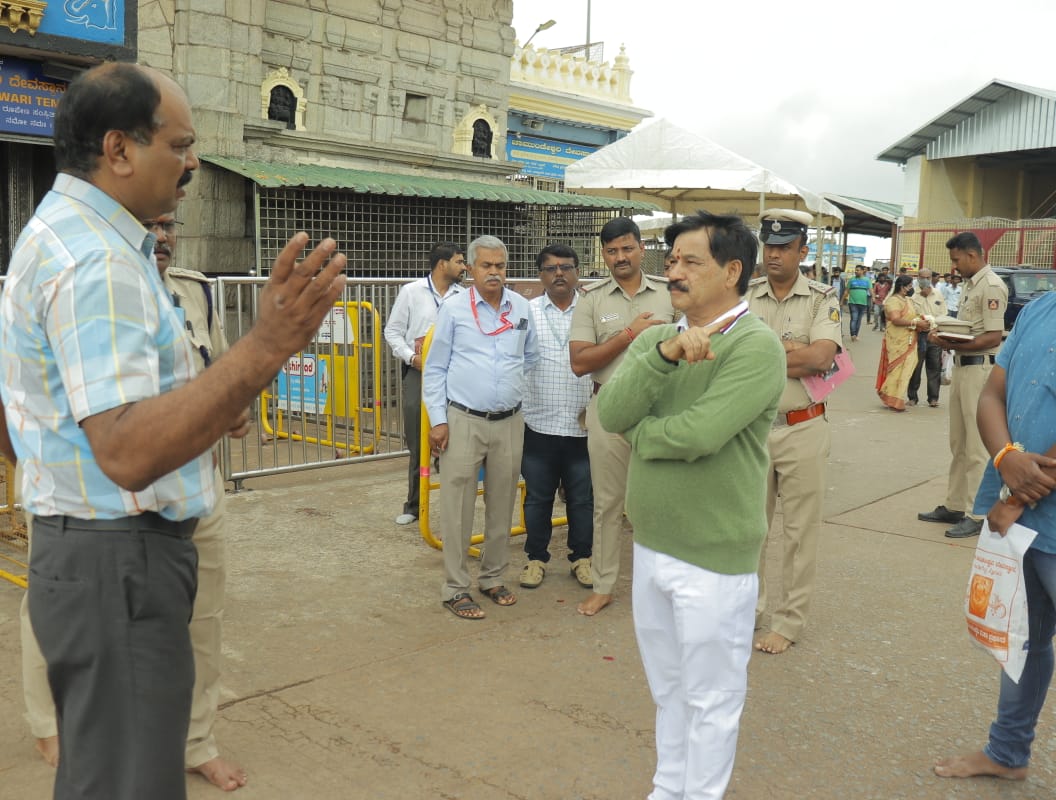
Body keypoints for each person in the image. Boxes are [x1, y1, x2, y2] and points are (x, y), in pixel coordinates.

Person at [0, 63, 346, 800]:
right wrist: (266, 346)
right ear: (119, 150)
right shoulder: (97, 261)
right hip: (117, 563)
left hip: (92, 555)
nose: (193, 165)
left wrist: (213, 396)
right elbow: (125, 450)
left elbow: (29, 413)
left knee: (110, 777)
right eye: (180, 146)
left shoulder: (63, 236)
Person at [17, 212, 248, 791]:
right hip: (93, 501)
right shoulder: (71, 274)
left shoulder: (192, 293)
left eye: (173, 224)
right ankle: (53, 724)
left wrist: (232, 404)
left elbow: (215, 373)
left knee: (202, 617)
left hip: (193, 488)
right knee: (60, 620)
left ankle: (196, 740)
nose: (164, 236)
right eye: (153, 225)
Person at [597, 211, 785, 799]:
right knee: (668, 690)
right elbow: (609, 415)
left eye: (689, 261)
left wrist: (641, 436)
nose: (673, 271)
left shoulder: (757, 346)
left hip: (713, 558)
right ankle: (666, 789)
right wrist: (666, 355)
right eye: (671, 260)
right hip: (652, 547)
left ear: (732, 272)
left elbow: (697, 435)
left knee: (711, 699)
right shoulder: (658, 338)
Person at [933, 289, 1056, 783]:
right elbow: (992, 394)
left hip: (1025, 506)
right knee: (1023, 641)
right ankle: (1007, 753)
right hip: (1025, 521)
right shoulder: (1038, 308)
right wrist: (1006, 459)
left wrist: (1015, 496)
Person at [424, 235, 538, 619]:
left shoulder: (521, 307)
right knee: (456, 507)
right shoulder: (454, 309)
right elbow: (436, 367)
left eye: (500, 266)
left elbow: (530, 356)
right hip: (462, 421)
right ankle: (455, 589)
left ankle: (492, 577)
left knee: (502, 503)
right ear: (470, 269)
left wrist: (507, 388)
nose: (494, 273)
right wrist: (438, 421)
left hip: (509, 421)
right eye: (486, 266)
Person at [746, 208, 842, 655]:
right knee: (750, 527)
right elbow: (729, 355)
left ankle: (789, 621)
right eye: (769, 246)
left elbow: (822, 359)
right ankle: (751, 609)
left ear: (804, 252)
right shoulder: (746, 295)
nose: (774, 254)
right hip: (751, 428)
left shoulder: (823, 298)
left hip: (803, 427)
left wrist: (761, 354)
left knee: (801, 532)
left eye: (784, 247)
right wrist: (792, 352)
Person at [569, 217, 675, 616]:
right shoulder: (592, 300)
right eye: (612, 251)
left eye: (627, 248)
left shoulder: (670, 295)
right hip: (609, 410)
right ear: (604, 254)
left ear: (641, 248)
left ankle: (665, 587)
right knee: (608, 504)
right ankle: (604, 584)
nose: (620, 257)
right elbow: (580, 362)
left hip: (661, 413)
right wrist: (629, 335)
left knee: (662, 504)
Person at [918, 232, 1007, 539]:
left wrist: (948, 342)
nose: (954, 266)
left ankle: (977, 511)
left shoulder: (992, 285)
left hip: (980, 371)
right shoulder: (972, 285)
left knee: (977, 446)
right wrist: (947, 337)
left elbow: (993, 337)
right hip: (962, 369)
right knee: (958, 442)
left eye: (956, 260)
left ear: (972, 255)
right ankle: (955, 505)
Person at [518, 244, 594, 589]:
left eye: (566, 267)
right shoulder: (526, 312)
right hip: (539, 423)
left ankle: (582, 558)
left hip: (584, 424)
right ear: (540, 276)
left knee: (582, 498)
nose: (559, 273)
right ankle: (535, 559)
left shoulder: (593, 309)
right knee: (538, 498)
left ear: (578, 271)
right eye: (551, 269)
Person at [383, 242, 465, 526]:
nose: (463, 267)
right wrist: (411, 357)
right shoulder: (412, 292)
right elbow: (392, 332)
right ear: (442, 264)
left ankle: (452, 508)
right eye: (458, 261)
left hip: (454, 373)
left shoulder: (463, 296)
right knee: (418, 438)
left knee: (454, 437)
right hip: (420, 372)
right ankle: (414, 506)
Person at [876, 275, 924, 412]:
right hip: (896, 340)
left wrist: (922, 321)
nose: (911, 289)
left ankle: (896, 397)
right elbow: (896, 319)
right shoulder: (893, 301)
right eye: (909, 286)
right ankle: (891, 397)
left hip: (910, 339)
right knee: (897, 369)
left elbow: (913, 316)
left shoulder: (908, 300)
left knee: (908, 367)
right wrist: (915, 323)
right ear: (902, 286)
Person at [907, 277, 948, 408]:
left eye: (927, 278)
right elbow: (909, 315)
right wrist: (917, 324)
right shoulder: (913, 295)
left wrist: (937, 328)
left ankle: (933, 398)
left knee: (934, 367)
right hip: (918, 335)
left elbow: (944, 313)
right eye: (922, 278)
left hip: (934, 335)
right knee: (915, 367)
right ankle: (913, 397)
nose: (924, 280)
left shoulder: (938, 294)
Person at [841, 264, 872, 341]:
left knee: (859, 320)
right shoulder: (851, 280)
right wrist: (841, 301)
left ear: (862, 271)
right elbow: (846, 291)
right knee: (854, 318)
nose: (856, 271)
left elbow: (871, 290)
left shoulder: (867, 280)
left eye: (858, 270)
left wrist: (874, 298)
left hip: (863, 303)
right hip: (852, 302)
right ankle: (853, 334)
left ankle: (856, 335)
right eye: (855, 270)